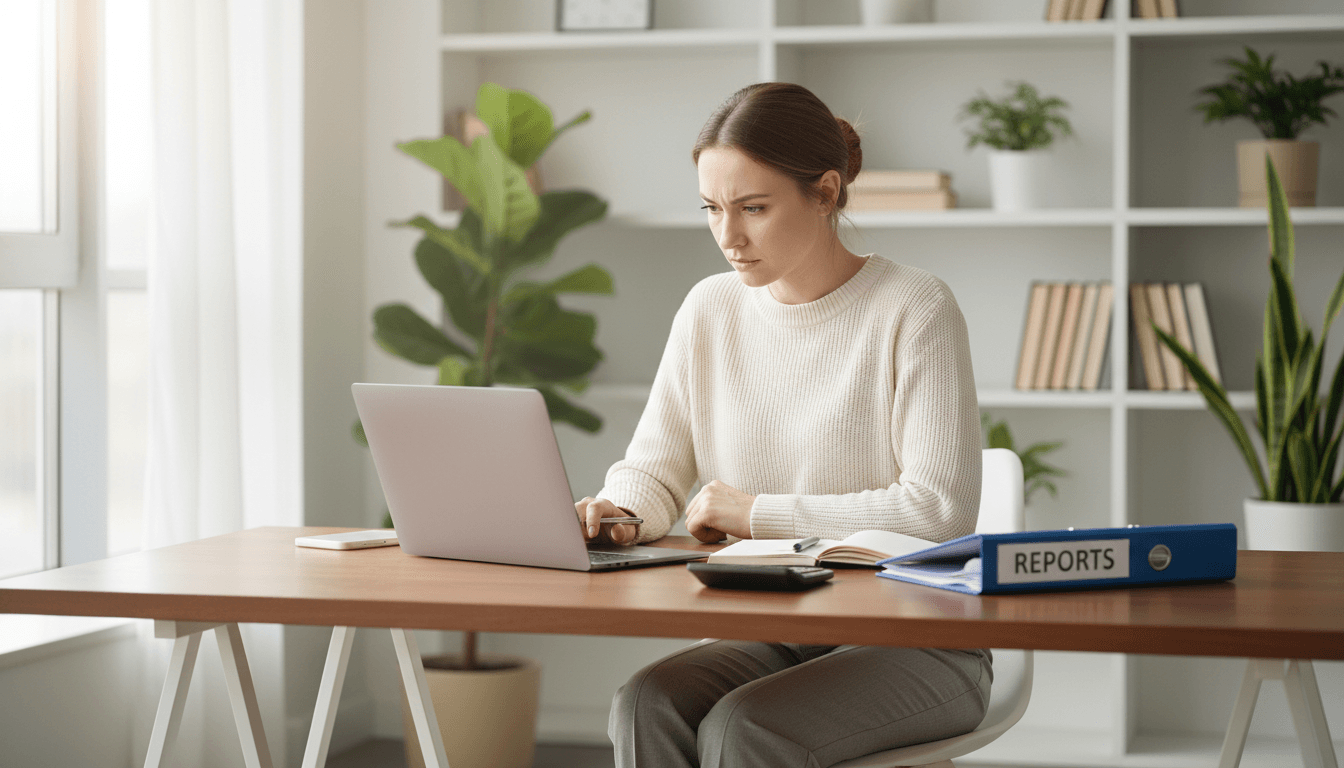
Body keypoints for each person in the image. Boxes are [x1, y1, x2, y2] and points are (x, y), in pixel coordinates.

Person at [572, 82, 990, 768]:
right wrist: (617, 513)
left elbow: (939, 512)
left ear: (825, 193)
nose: (728, 237)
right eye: (712, 209)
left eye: (753, 208)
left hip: (919, 644)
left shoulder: (913, 307)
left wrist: (755, 513)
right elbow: (655, 469)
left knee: (746, 729)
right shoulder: (709, 309)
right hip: (780, 629)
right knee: (645, 702)